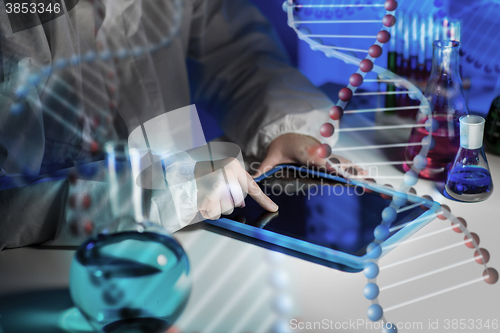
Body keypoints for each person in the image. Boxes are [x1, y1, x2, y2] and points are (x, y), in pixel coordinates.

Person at [0, 0, 362, 250]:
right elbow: (9, 200)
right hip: (56, 274)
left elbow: (237, 55)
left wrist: (285, 127)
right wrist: (162, 193)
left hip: (185, 239)